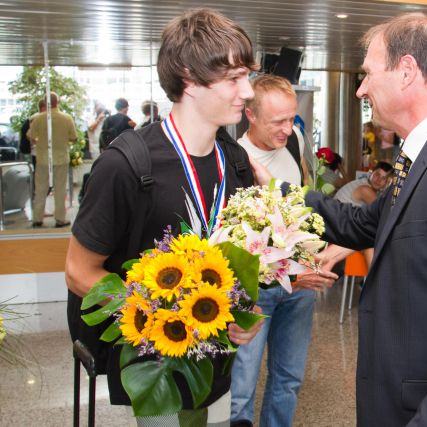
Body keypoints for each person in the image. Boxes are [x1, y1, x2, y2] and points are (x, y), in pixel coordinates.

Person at [251, 12, 427, 426]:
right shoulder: (422, 153)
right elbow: (361, 223)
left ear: (406, 71)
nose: (361, 88)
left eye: (367, 73)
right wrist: (278, 194)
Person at [65, 8, 264, 426]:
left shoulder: (236, 161)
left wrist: (242, 312)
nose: (247, 91)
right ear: (189, 78)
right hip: (158, 363)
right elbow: (78, 271)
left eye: (247, 76)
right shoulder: (126, 165)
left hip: (217, 363)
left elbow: (234, 259)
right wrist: (157, 314)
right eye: (234, 78)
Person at [230, 74, 337, 427]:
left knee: (288, 380)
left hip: (299, 289)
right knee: (240, 388)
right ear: (251, 115)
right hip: (256, 289)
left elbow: (301, 210)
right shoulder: (235, 161)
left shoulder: (294, 142)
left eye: (292, 119)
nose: (288, 129)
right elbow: (236, 242)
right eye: (278, 121)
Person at [27, 92, 77, 228]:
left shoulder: (38, 118)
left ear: (44, 102)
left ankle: (37, 218)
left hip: (43, 158)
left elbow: (31, 136)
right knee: (60, 189)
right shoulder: (66, 118)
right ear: (58, 102)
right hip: (61, 157)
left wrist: (40, 142)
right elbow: (74, 137)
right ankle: (60, 219)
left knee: (40, 189)